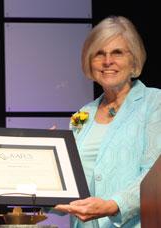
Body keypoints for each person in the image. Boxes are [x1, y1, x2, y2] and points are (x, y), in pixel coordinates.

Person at [53, 16, 161, 227]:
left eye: (117, 52)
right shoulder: (83, 115)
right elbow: (70, 186)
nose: (107, 61)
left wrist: (113, 205)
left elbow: (154, 176)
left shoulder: (154, 103)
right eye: (99, 53)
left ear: (134, 61)